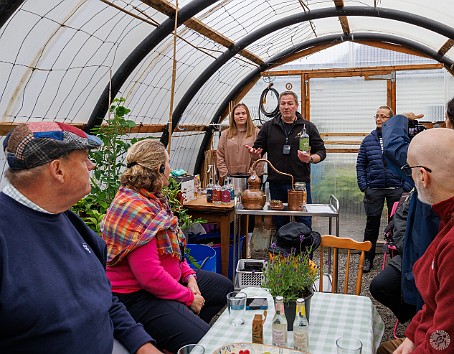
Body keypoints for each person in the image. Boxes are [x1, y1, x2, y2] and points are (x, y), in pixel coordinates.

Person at [0, 122, 159, 354]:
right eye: (84, 159)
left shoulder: (70, 222)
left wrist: (141, 344)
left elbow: (104, 298)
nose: (91, 166)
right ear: (58, 170)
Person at [100, 139, 234, 353]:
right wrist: (189, 297)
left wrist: (189, 276)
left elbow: (174, 254)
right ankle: (179, 338)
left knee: (223, 288)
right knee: (203, 342)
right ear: (159, 169)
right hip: (138, 296)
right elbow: (149, 277)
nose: (171, 170)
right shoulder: (135, 209)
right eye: (168, 164)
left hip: (166, 280)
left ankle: (178, 329)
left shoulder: (151, 200)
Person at [378, 127, 454, 354]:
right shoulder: (446, 217)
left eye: (408, 169)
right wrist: (411, 336)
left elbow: (444, 340)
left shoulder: (451, 246)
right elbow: (434, 304)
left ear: (422, 175)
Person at [246, 90, 326, 230]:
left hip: (300, 184)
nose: (286, 107)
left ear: (296, 106)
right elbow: (257, 151)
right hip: (276, 183)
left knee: (304, 221)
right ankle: (283, 252)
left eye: (290, 103)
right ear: (279, 106)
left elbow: (321, 152)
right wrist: (254, 154)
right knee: (280, 222)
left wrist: (310, 159)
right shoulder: (268, 127)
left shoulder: (308, 127)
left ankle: (304, 251)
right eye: (283, 103)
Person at [356, 105, 411, 273]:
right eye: (377, 116)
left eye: (383, 116)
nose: (379, 119)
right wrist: (364, 186)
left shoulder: (399, 139)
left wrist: (406, 186)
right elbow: (361, 165)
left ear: (391, 120)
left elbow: (409, 162)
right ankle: (368, 259)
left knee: (396, 225)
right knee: (371, 224)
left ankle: (396, 262)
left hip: (396, 188)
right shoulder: (368, 140)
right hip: (374, 188)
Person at [216, 102, 263, 182]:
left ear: (247, 115)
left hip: (252, 179)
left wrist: (252, 175)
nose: (241, 116)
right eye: (237, 114)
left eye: (243, 113)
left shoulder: (257, 133)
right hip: (230, 178)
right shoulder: (225, 134)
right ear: (233, 117)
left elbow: (261, 157)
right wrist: (226, 175)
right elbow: (220, 156)